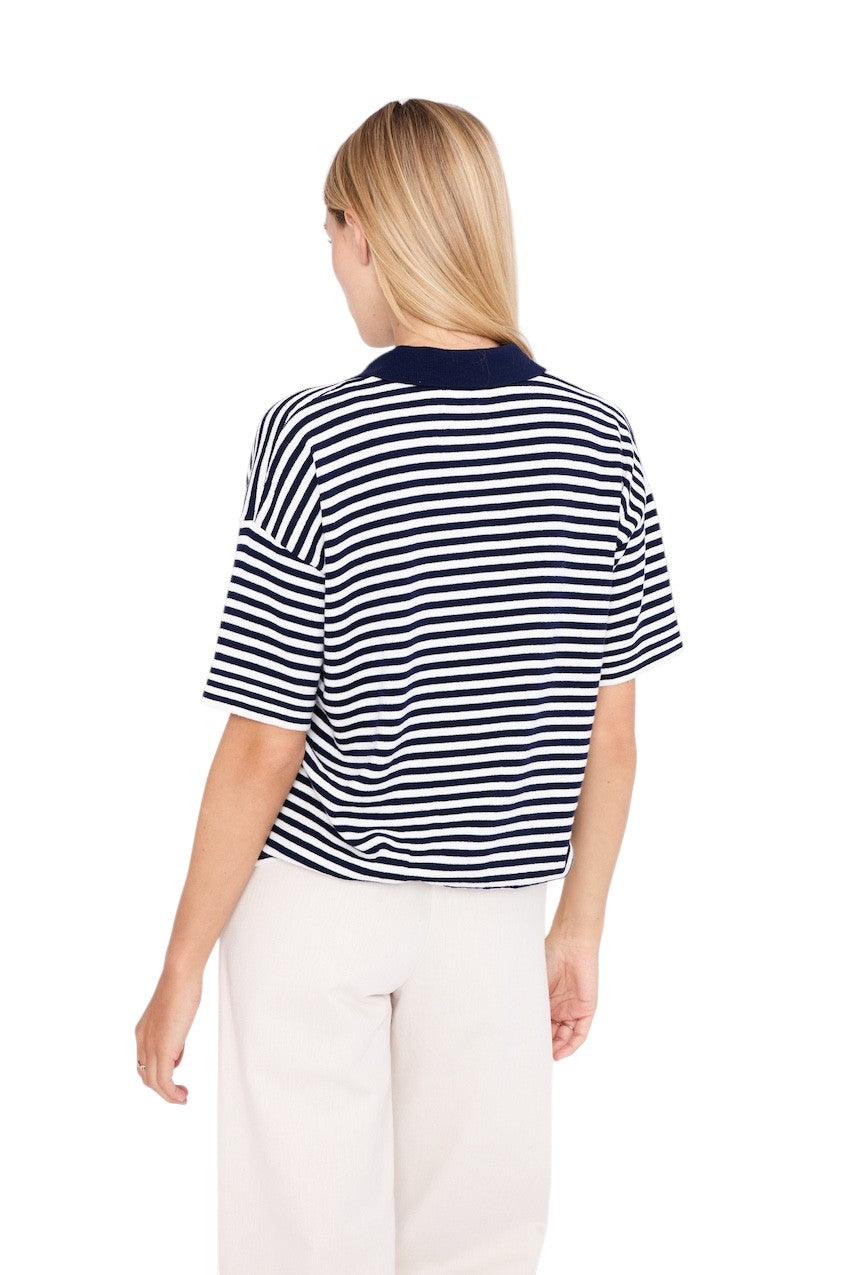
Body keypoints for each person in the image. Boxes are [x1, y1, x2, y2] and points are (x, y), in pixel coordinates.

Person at [134, 98, 684, 1274]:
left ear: (368, 233)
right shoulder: (601, 441)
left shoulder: (313, 435)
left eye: (330, 231)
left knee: (301, 1248)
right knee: (476, 1248)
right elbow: (613, 732)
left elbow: (263, 743)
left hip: (315, 905)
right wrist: (580, 922)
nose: (333, 262)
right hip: (495, 916)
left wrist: (179, 967)